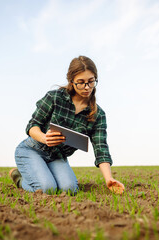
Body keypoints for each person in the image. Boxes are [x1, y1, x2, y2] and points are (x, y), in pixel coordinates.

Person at [10, 56, 125, 195]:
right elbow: (33, 126)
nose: (87, 87)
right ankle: (19, 178)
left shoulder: (98, 114)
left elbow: (101, 148)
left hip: (57, 156)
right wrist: (44, 138)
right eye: (81, 82)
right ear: (71, 81)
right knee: (47, 188)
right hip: (33, 149)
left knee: (69, 190)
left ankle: (43, 172)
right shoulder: (54, 98)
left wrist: (109, 179)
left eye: (91, 81)